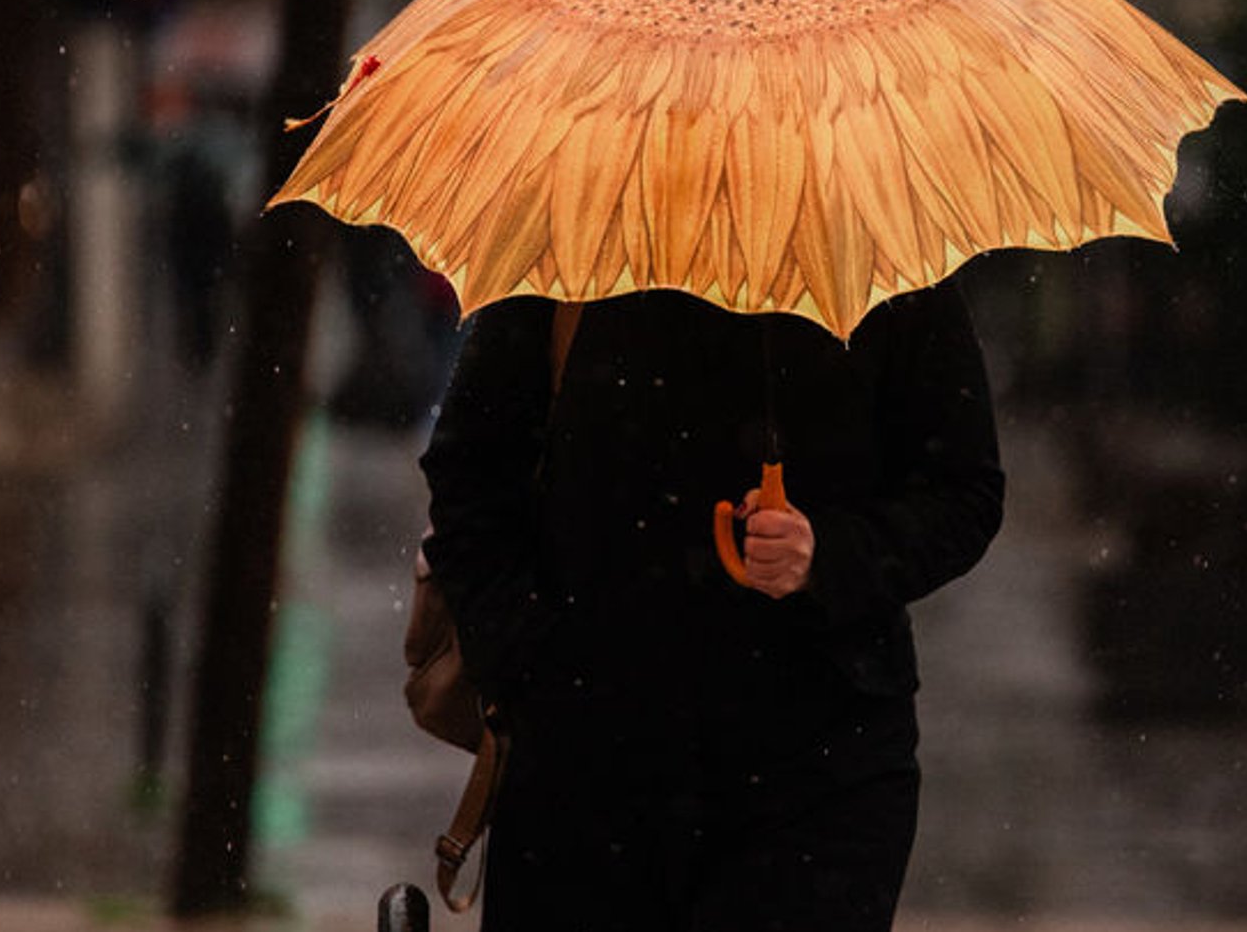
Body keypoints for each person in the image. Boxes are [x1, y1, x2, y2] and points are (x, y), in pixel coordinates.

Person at [418, 281, 1005, 931]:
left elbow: (962, 492)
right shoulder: (579, 250)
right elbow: (470, 478)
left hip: (820, 768)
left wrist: (828, 555)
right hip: (586, 770)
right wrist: (532, 663)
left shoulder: (880, 261)